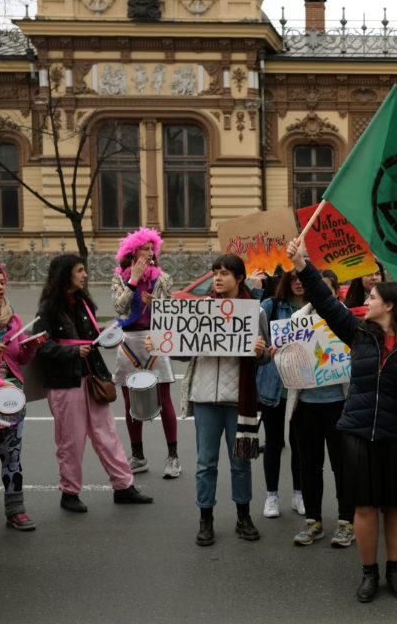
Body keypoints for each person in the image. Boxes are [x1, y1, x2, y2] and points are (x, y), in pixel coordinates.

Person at [287, 239, 397, 603]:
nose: (367, 301)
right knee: (362, 506)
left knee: (395, 505)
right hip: (358, 433)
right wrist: (301, 264)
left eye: (373, 297)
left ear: (389, 305)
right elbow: (326, 302)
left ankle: (395, 569)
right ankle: (369, 573)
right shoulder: (357, 332)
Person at [35, 254, 153, 512]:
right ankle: (69, 493)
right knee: (71, 440)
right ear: (65, 274)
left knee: (107, 434)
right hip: (65, 382)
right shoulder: (48, 309)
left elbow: (93, 338)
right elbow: (39, 346)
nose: (85, 275)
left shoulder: (82, 302)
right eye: (80, 270)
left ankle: (123, 487)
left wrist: (108, 337)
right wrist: (71, 352)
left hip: (92, 377)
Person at [169, 254, 270, 546]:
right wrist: (161, 343)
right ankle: (206, 519)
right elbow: (182, 350)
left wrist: (260, 352)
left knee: (241, 463)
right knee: (205, 463)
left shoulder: (255, 312)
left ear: (239, 278)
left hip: (239, 399)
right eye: (215, 273)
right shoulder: (200, 310)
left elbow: (264, 356)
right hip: (205, 397)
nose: (217, 278)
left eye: (224, 273)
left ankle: (243, 516)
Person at [287, 269, 356, 547]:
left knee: (343, 465)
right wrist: (279, 354)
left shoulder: (348, 321)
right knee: (309, 465)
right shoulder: (296, 320)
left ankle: (346, 521)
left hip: (340, 404)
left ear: (336, 292)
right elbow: (289, 361)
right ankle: (312, 521)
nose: (318, 294)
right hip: (305, 405)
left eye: (324, 289)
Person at [111, 227, 181, 479]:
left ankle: (173, 456)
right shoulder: (119, 278)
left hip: (155, 338)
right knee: (130, 401)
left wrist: (157, 305)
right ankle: (138, 455)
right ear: (133, 252)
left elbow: (171, 314)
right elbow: (119, 307)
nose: (151, 253)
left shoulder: (163, 278)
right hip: (129, 340)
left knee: (164, 399)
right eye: (145, 249)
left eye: (153, 249)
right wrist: (132, 281)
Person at [0, 260, 40, 530]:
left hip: (11, 400)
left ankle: (15, 510)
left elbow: (20, 358)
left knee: (11, 455)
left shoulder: (13, 319)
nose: (0, 287)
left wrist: (31, 347)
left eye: (2, 283)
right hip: (1, 389)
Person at [257, 269, 305, 518]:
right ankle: (271, 496)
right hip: (274, 386)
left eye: (302, 277)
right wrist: (266, 350)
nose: (298, 282)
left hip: (304, 387)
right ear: (285, 281)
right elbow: (255, 341)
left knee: (300, 445)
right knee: (274, 443)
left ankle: (299, 494)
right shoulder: (271, 306)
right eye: (293, 278)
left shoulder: (316, 308)